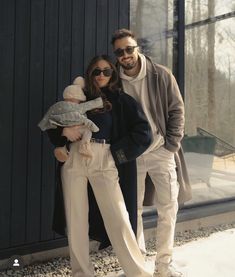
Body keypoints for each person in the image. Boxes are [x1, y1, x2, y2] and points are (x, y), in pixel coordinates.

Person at [46, 55, 154, 277]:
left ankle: (139, 273)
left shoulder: (122, 101)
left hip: (104, 159)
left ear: (113, 74)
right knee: (75, 220)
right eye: (97, 71)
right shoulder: (77, 97)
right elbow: (51, 121)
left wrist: (117, 154)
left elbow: (144, 133)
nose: (102, 75)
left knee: (119, 218)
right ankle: (81, 273)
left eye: (107, 71)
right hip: (74, 159)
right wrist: (61, 137)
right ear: (89, 74)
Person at [111, 29, 192, 277]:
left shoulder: (161, 74)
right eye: (120, 51)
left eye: (129, 48)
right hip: (133, 155)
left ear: (138, 48)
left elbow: (177, 109)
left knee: (168, 209)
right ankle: (137, 267)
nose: (126, 55)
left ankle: (163, 266)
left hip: (161, 152)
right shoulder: (114, 81)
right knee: (131, 211)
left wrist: (172, 145)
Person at [38, 77, 103, 162]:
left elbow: (49, 116)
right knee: (88, 131)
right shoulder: (79, 107)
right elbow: (91, 105)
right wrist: (100, 102)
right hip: (77, 137)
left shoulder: (58, 106)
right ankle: (84, 146)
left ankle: (61, 148)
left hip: (62, 127)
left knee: (64, 138)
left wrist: (46, 124)